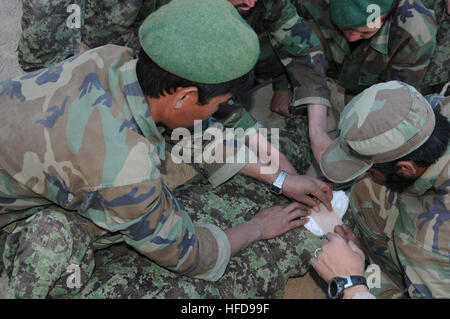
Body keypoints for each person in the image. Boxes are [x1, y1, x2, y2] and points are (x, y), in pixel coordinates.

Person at [0, 0, 333, 298]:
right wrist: (258, 228)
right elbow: (188, 254)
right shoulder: (125, 171)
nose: (212, 116)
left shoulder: (112, 58)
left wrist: (280, 180)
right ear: (185, 97)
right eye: (215, 106)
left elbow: (192, 131)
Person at [311, 81, 450, 298]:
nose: (368, 174)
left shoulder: (426, 244)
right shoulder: (438, 107)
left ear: (406, 168)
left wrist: (352, 282)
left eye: (371, 168)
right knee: (366, 188)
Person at [288, 0, 442, 164]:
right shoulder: (311, 3)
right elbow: (290, 41)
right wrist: (282, 85)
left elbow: (397, 98)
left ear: (388, 12)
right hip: (330, 71)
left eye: (364, 32)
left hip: (378, 84)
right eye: (344, 28)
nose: (351, 37)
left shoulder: (416, 30)